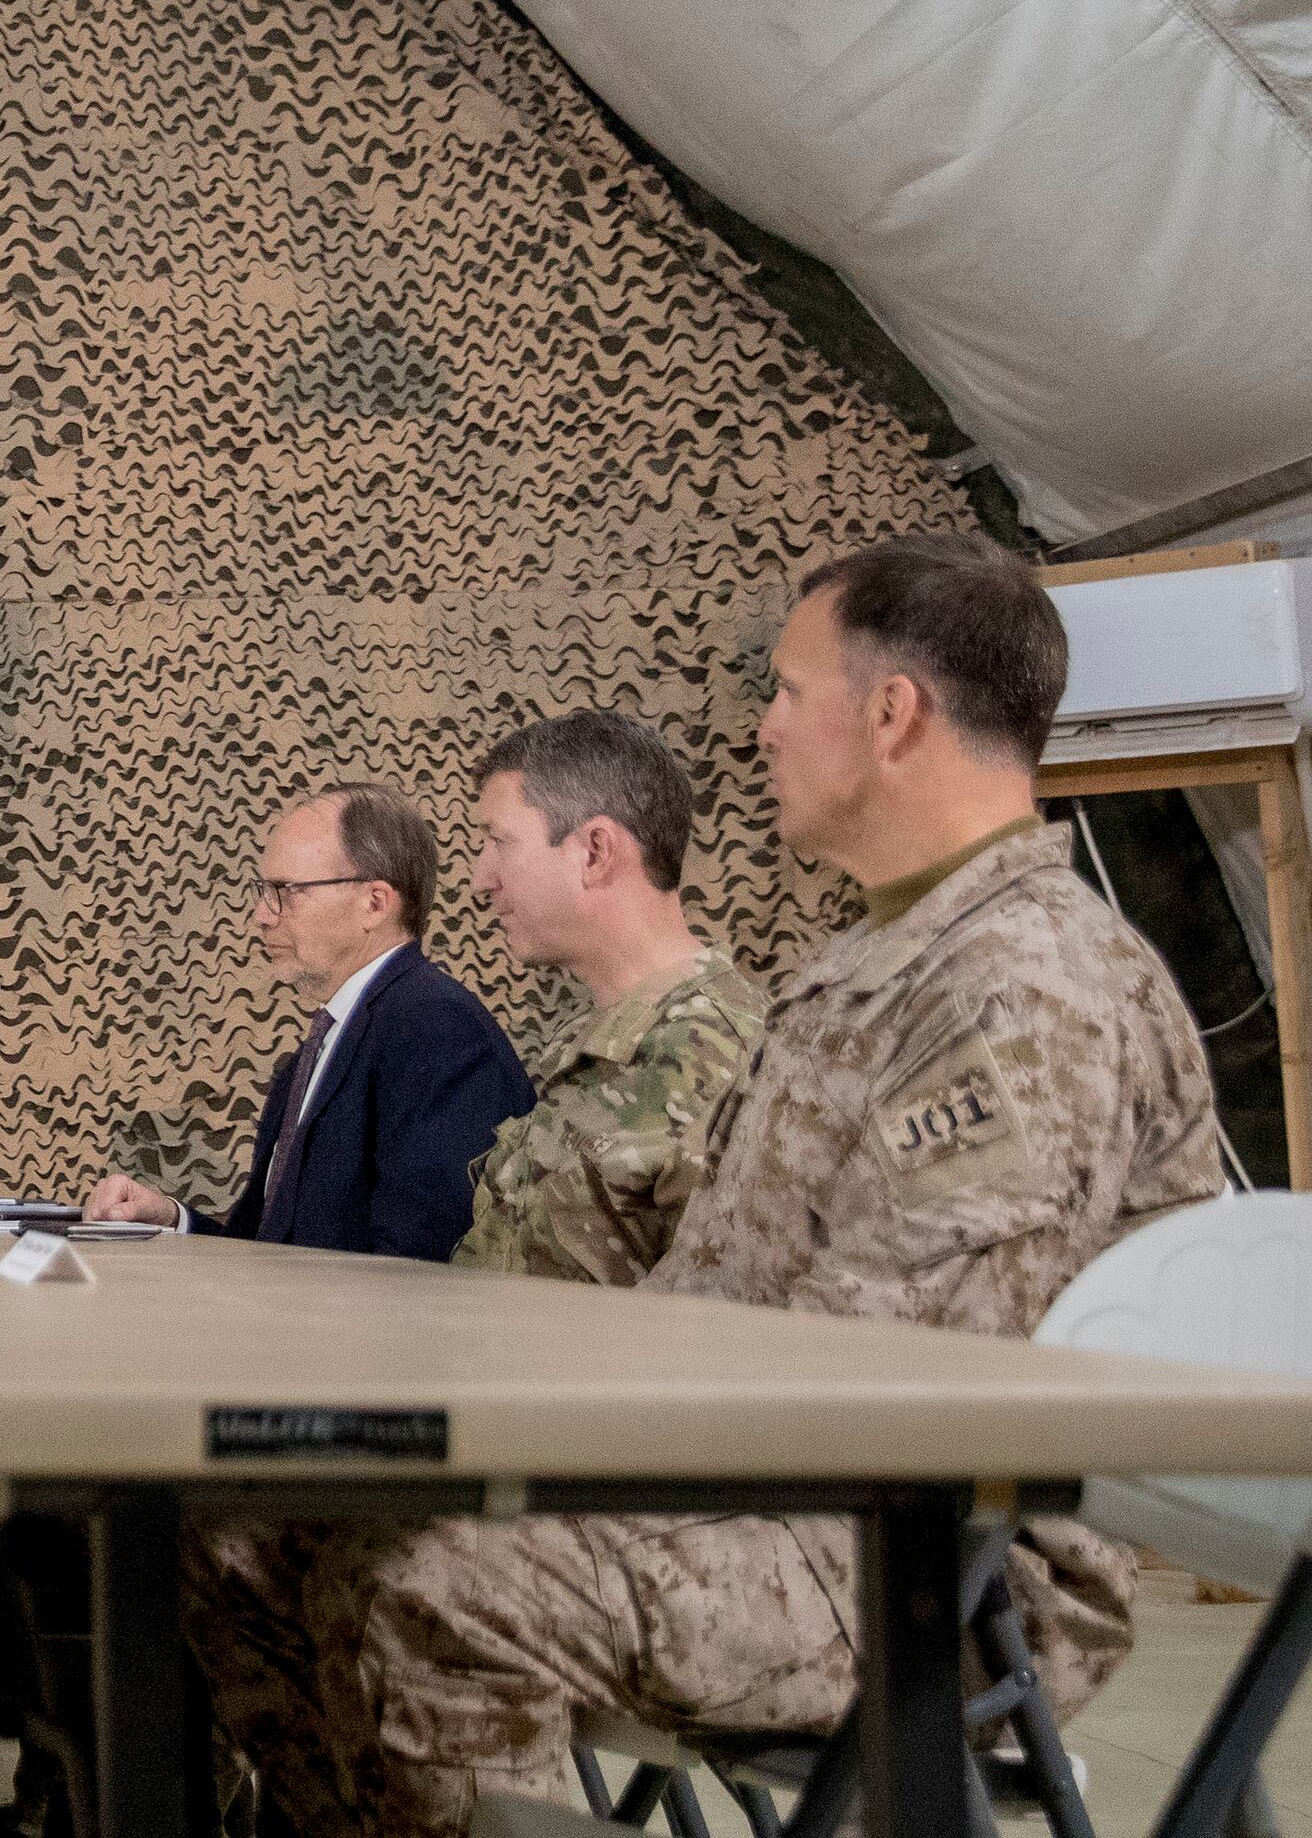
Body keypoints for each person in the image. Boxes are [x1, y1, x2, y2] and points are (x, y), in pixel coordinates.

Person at [198, 536, 1224, 1836]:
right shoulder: (863, 972)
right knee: (243, 1528)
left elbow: (912, 1393)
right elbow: (708, 1300)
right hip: (772, 1491)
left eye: (789, 692)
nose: (762, 727)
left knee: (433, 1580)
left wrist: (531, 1457)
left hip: (917, 1564)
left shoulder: (1021, 990)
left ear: (891, 714)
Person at [81, 784, 533, 1256]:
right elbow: (267, 1252)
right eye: (263, 892)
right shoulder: (325, 1043)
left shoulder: (439, 1033)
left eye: (285, 892)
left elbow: (418, 1271)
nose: (262, 915)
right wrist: (173, 1220)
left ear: (375, 903)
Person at [449, 710, 766, 1285]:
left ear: (595, 851)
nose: (481, 879)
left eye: (500, 843)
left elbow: (729, 1333)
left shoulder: (717, 1052)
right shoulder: (598, 1038)